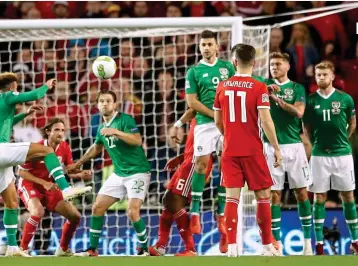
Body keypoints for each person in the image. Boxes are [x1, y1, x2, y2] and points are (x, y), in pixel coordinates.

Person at [0, 73, 90, 257]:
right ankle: (66, 188)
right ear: (12, 86)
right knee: (47, 151)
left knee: (11, 204)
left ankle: (13, 248)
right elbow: (33, 95)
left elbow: (4, 122)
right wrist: (46, 86)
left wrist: (25, 113)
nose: (17, 90)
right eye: (16, 87)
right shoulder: (8, 95)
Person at [213, 43, 282, 257]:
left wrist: (231, 135)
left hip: (230, 150)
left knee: (231, 198)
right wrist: (277, 149)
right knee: (263, 196)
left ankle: (232, 247)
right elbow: (266, 120)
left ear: (234, 63)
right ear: (255, 62)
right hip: (253, 149)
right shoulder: (258, 86)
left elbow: (217, 121)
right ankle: (266, 246)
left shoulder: (222, 86)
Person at [68, 90, 151, 256]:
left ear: (114, 104)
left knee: (132, 211)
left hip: (138, 172)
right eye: (101, 101)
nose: (104, 104)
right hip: (119, 174)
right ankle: (92, 249)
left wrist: (116, 132)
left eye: (108, 101)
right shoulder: (101, 128)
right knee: (97, 207)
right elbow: (97, 148)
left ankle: (145, 248)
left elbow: (137, 140)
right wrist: (78, 163)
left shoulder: (125, 119)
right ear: (97, 105)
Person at [303, 61, 358, 255]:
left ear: (332, 77)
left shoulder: (345, 99)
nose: (321, 77)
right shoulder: (311, 101)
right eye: (318, 75)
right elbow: (307, 128)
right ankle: (319, 244)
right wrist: (316, 144)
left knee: (347, 196)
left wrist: (342, 140)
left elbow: (352, 123)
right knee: (319, 198)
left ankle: (355, 242)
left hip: (342, 155)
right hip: (320, 155)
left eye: (324, 74)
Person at [185, 30, 235, 241]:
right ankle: (195, 211)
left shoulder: (227, 67)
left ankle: (221, 212)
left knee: (226, 165)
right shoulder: (193, 71)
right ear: (199, 47)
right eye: (202, 44)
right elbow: (192, 102)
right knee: (201, 165)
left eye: (209, 44)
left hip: (227, 124)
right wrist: (216, 114)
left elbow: (235, 91)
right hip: (206, 124)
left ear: (217, 46)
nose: (206, 47)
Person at [262, 52, 313, 255]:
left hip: (294, 147)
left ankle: (307, 243)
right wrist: (265, 91)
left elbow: (299, 112)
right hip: (270, 147)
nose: (274, 67)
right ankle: (276, 244)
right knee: (274, 195)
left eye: (278, 64)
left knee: (301, 193)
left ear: (288, 67)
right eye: (272, 64)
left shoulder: (297, 88)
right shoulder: (264, 85)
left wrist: (277, 100)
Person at [18, 117, 92, 256]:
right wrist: (43, 183)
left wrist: (81, 174)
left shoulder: (64, 147)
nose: (60, 133)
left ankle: (63, 249)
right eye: (57, 130)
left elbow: (68, 171)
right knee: (38, 212)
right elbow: (21, 172)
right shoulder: (37, 147)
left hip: (50, 186)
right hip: (30, 184)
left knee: (75, 216)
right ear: (48, 131)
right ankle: (22, 249)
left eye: (63, 130)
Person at [148, 109, 215, 256]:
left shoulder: (211, 112)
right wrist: (181, 157)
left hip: (195, 162)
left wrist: (208, 167)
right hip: (188, 159)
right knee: (168, 201)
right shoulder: (197, 114)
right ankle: (160, 246)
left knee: (175, 202)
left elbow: (214, 144)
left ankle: (190, 249)